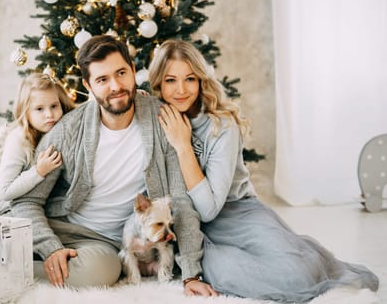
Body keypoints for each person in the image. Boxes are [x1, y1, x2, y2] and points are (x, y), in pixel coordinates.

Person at [148, 39, 379, 302]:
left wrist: (183, 146)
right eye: (170, 80)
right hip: (191, 227)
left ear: (201, 81)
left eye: (189, 79)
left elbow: (209, 209)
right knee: (226, 271)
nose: (181, 90)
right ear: (158, 83)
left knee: (297, 275)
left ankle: (299, 253)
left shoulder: (221, 126)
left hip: (238, 213)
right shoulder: (155, 121)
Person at [10, 35, 215, 296]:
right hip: (63, 223)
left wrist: (190, 275)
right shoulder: (68, 131)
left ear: (132, 70)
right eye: (102, 80)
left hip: (106, 242)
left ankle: (7, 267)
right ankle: (12, 258)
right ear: (88, 85)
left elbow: (180, 199)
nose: (116, 86)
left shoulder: (163, 120)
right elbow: (28, 201)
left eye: (121, 73)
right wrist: (51, 248)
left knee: (102, 271)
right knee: (8, 235)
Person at [0, 73, 76, 215]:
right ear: (26, 112)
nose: (49, 114)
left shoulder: (61, 129)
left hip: (40, 199)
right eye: (39, 109)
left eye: (54, 106)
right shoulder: (18, 140)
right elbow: (6, 191)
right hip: (6, 203)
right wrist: (39, 171)